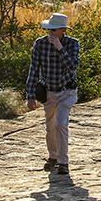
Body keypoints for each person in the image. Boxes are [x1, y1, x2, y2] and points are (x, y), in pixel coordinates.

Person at [25, 13, 80, 176]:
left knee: (61, 124)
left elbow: (72, 67)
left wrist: (59, 47)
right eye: (49, 29)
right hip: (49, 91)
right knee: (50, 127)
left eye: (53, 30)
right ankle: (53, 157)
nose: (50, 33)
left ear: (63, 30)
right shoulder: (40, 44)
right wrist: (30, 95)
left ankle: (63, 162)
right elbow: (34, 69)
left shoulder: (72, 44)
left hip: (67, 91)